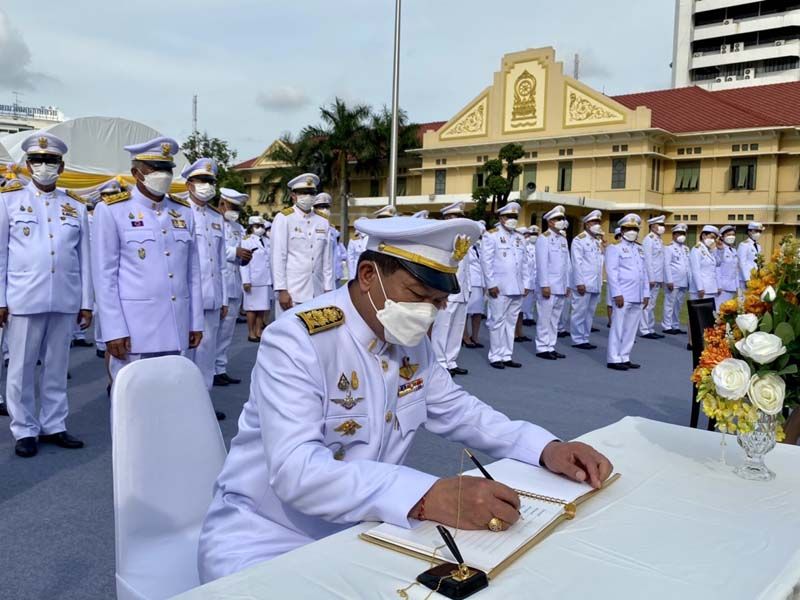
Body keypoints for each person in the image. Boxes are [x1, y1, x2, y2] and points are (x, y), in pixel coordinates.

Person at [197, 215, 613, 583]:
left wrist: (546, 448)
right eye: (417, 295)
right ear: (367, 275)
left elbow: (460, 411)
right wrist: (428, 495)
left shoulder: (407, 339)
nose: (428, 314)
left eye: (438, 303)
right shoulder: (298, 340)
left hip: (363, 529)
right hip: (265, 539)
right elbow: (297, 472)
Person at [0, 132, 92, 458]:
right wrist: (0, 300)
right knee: (21, 368)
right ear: (28, 165)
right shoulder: (9, 200)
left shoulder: (75, 205)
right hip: (23, 297)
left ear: (61, 166)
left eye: (50, 160)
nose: (44, 166)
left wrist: (87, 302)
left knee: (57, 366)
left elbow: (85, 259)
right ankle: (24, 428)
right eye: (37, 160)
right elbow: (1, 255)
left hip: (65, 297)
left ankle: (54, 424)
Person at [92, 136, 203, 382]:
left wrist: (195, 322)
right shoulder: (112, 210)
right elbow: (104, 276)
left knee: (172, 393)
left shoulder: (183, 212)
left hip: (177, 324)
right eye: (154, 169)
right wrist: (113, 329)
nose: (163, 175)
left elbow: (192, 273)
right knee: (132, 397)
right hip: (135, 329)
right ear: (136, 173)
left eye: (167, 169)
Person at [181, 159, 229, 410]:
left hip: (211, 297)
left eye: (211, 181)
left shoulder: (215, 217)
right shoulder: (179, 212)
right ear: (189, 184)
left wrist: (223, 299)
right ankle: (182, 406)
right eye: (202, 180)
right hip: (187, 297)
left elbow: (221, 263)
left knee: (207, 354)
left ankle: (203, 406)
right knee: (185, 354)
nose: (207, 185)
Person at [270, 173, 332, 318]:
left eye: (311, 193)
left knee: (315, 331)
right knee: (289, 331)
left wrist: (328, 289)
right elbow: (278, 257)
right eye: (303, 193)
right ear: (293, 196)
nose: (308, 196)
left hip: (317, 292)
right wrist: (281, 289)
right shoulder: (284, 218)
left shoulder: (322, 221)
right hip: (292, 293)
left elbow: (327, 259)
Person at [481, 202, 532, 369]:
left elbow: (524, 263)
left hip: (517, 287)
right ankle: (496, 356)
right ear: (501, 218)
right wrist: (491, 284)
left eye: (515, 216)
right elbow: (486, 262)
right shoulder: (491, 235)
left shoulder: (519, 237)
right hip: (499, 287)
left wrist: (526, 283)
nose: (512, 219)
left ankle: (506, 355)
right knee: (497, 321)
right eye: (509, 216)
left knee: (511, 322)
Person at [214, 188, 251, 387]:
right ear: (222, 204)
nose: (235, 211)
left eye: (238, 208)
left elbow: (239, 254)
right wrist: (234, 252)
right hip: (218, 285)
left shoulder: (238, 227)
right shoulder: (212, 221)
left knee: (227, 332)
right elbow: (212, 250)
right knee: (212, 332)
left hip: (234, 284)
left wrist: (244, 257)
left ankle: (220, 368)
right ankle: (208, 369)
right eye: (232, 207)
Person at [430, 201, 471, 376]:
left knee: (457, 327)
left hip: (462, 290)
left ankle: (451, 361)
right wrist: (441, 291)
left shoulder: (465, 238)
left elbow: (466, 267)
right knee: (442, 327)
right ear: (446, 218)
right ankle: (440, 362)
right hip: (447, 290)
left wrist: (468, 288)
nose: (458, 220)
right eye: (454, 217)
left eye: (460, 216)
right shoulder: (441, 239)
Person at [605, 214, 649, 371]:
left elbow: (644, 272)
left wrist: (646, 294)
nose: (632, 232)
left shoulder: (640, 249)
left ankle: (625, 356)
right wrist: (617, 293)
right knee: (618, 327)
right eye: (629, 229)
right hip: (623, 294)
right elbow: (612, 272)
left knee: (631, 329)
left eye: (635, 229)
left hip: (637, 295)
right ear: (622, 231)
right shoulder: (614, 248)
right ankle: (613, 358)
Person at [534, 205, 571, 360]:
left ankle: (550, 345)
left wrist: (567, 284)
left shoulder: (562, 239)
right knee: (545, 318)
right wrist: (544, 285)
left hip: (560, 285)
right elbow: (541, 264)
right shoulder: (544, 238)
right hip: (549, 285)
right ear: (550, 222)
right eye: (558, 219)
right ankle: (542, 347)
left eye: (562, 218)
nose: (561, 221)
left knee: (555, 319)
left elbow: (567, 264)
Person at [569, 210, 604, 350]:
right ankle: (577, 339)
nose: (597, 225)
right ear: (587, 224)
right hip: (583, 282)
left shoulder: (597, 241)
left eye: (598, 222)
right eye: (594, 222)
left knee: (589, 313)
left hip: (595, 282)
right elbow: (577, 263)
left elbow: (599, 263)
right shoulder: (579, 240)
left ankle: (585, 337)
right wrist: (579, 282)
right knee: (579, 312)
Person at [241, 217, 272, 342]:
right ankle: (251, 332)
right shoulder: (247, 241)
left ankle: (259, 331)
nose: (260, 229)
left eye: (262, 226)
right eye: (257, 226)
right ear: (251, 227)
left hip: (265, 279)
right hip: (253, 280)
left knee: (262, 307)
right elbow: (243, 262)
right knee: (251, 308)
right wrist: (245, 280)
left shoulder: (267, 240)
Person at [639, 215, 666, 340]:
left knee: (652, 304)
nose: (662, 227)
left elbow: (661, 261)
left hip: (657, 277)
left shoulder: (659, 240)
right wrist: (651, 278)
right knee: (647, 304)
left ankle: (650, 327)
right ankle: (644, 329)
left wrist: (661, 278)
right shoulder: (648, 239)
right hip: (651, 277)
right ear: (653, 226)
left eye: (663, 225)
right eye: (660, 225)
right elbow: (648, 260)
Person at [661, 224, 690, 335]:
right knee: (669, 304)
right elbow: (666, 265)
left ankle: (675, 325)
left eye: (683, 233)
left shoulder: (686, 249)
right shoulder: (669, 248)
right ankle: (667, 325)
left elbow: (688, 265)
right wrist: (669, 280)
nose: (682, 236)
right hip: (673, 280)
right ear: (674, 235)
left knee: (678, 304)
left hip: (684, 281)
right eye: (679, 233)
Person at [462, 221, 486, 349]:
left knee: (478, 312)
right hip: (469, 282)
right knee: (466, 311)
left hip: (480, 283)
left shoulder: (481, 247)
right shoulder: (466, 246)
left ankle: (475, 337)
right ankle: (465, 337)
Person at [312, 193, 337, 296]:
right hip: (316, 278)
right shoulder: (311, 228)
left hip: (331, 277)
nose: (325, 210)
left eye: (326, 207)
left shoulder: (332, 230)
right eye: (321, 207)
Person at [689, 225, 720, 307]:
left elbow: (718, 264)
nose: (713, 240)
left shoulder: (709, 250)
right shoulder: (697, 249)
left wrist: (716, 250)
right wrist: (700, 288)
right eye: (711, 237)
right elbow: (695, 270)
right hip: (701, 290)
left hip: (711, 288)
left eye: (714, 238)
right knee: (699, 313)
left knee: (710, 314)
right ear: (703, 236)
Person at [519, 225, 538, 327]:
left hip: (534, 278)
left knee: (531, 300)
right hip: (526, 279)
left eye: (535, 234)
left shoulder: (538, 246)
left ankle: (529, 316)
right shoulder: (525, 246)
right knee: (524, 300)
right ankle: (523, 317)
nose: (533, 236)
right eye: (532, 234)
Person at [716, 225, 739, 305]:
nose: (731, 237)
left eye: (733, 235)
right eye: (728, 235)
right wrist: (718, 286)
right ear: (722, 237)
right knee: (719, 309)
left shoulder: (734, 250)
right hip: (722, 287)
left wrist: (737, 286)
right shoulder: (718, 249)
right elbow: (717, 268)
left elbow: (736, 270)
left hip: (732, 287)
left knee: (728, 310)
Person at [737, 222, 763, 286]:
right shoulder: (744, 245)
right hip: (745, 278)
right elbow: (742, 263)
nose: (758, 233)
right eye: (756, 231)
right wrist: (747, 279)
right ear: (749, 232)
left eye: (760, 231)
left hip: (755, 277)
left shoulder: (758, 245)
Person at [606, 227, 622, 328]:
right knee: (610, 301)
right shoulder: (612, 247)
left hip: (624, 280)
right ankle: (610, 321)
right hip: (613, 279)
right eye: (620, 236)